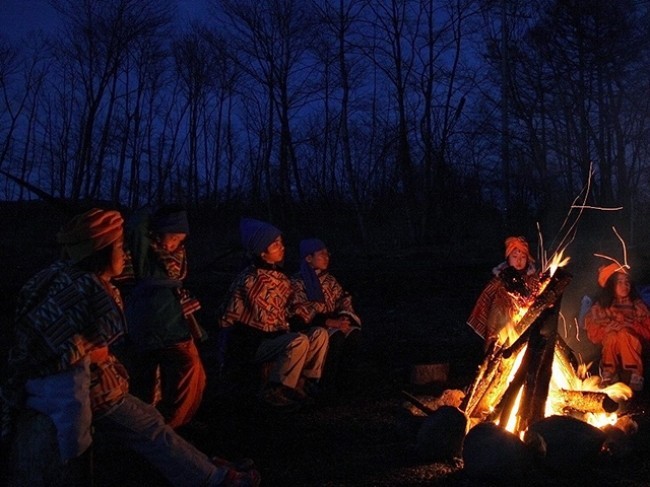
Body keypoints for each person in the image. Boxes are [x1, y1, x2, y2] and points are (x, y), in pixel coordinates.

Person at [1, 208, 259, 486]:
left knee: (150, 418)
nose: (125, 254)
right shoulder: (90, 289)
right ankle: (214, 479)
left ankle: (202, 464)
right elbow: (76, 344)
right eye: (120, 246)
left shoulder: (54, 275)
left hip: (64, 379)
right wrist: (90, 352)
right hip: (89, 389)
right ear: (100, 250)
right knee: (151, 430)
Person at [218, 218, 329, 410]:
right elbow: (253, 320)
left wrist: (303, 313)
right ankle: (274, 390)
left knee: (320, 334)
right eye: (275, 244)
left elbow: (285, 309)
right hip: (253, 343)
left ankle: (303, 382)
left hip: (276, 335)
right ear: (262, 252)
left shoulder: (281, 277)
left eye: (281, 242)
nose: (282, 247)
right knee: (298, 341)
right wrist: (290, 326)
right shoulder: (250, 280)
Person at [118, 205, 206, 429]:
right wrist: (149, 210)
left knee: (196, 374)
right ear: (158, 232)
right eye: (172, 237)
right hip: (153, 320)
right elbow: (137, 227)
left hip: (174, 320)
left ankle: (184, 419)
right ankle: (168, 424)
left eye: (180, 239)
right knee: (182, 366)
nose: (174, 244)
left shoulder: (178, 256)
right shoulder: (146, 252)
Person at [289, 238, 362, 396]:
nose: (326, 257)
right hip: (312, 325)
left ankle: (346, 384)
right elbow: (298, 310)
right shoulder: (297, 282)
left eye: (327, 253)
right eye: (321, 254)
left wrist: (344, 317)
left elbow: (343, 299)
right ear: (309, 258)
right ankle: (326, 385)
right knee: (335, 338)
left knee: (353, 334)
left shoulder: (330, 280)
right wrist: (329, 322)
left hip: (334, 321)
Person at [584, 263, 650, 391]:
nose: (625, 286)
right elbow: (594, 336)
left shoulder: (638, 307)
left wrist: (632, 326)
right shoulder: (600, 309)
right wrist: (606, 330)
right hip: (611, 350)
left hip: (635, 350)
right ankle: (608, 374)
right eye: (619, 282)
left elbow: (648, 331)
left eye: (627, 282)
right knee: (612, 335)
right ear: (611, 285)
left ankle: (635, 375)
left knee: (624, 333)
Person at [466, 235, 539, 351]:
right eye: (515, 256)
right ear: (508, 258)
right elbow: (486, 301)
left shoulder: (533, 280)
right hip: (500, 327)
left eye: (523, 257)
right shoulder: (499, 280)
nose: (519, 261)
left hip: (524, 326)